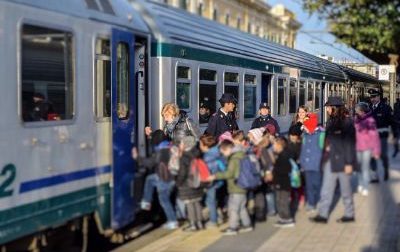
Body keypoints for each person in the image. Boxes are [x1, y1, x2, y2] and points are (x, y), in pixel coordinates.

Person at [310, 96, 356, 224]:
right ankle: (323, 214)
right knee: (326, 188)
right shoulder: (331, 121)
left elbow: (350, 144)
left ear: (335, 108)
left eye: (329, 107)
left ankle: (349, 214)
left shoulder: (346, 122)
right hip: (331, 159)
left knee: (346, 189)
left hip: (343, 161)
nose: (327, 109)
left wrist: (348, 163)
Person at [131, 130, 178, 230]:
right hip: (171, 177)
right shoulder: (171, 147)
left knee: (164, 201)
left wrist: (137, 157)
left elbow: (149, 163)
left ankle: (173, 221)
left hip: (164, 179)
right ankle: (146, 201)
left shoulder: (161, 152)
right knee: (150, 179)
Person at [209, 132, 253, 235]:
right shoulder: (241, 154)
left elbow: (229, 173)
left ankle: (233, 228)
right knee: (241, 207)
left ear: (227, 149)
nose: (224, 155)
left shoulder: (234, 158)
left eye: (223, 152)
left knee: (233, 208)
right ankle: (247, 225)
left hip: (236, 186)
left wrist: (215, 176)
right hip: (242, 186)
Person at [176, 135, 205, 231]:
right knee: (197, 202)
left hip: (187, 184)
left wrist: (178, 182)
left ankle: (193, 224)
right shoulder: (197, 153)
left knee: (190, 204)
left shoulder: (184, 156)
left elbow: (183, 172)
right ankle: (200, 223)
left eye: (182, 143)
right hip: (197, 182)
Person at [299, 113, 325, 212]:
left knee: (317, 184)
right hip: (307, 164)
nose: (304, 126)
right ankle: (311, 203)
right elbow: (303, 149)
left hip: (317, 164)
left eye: (306, 123)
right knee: (309, 185)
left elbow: (323, 149)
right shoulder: (305, 135)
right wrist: (302, 162)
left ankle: (318, 201)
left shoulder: (321, 134)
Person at [199, 134, 226, 227]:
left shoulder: (208, 156)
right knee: (214, 200)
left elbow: (208, 172)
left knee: (210, 201)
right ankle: (218, 216)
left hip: (212, 182)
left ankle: (213, 220)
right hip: (220, 180)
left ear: (205, 145)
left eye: (200, 144)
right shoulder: (217, 151)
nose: (199, 146)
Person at [354, 102, 380, 196]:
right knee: (358, 168)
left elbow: (374, 136)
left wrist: (376, 151)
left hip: (367, 148)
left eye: (357, 109)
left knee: (365, 168)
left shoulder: (370, 121)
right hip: (357, 147)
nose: (356, 111)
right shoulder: (356, 120)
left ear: (362, 110)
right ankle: (360, 183)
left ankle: (365, 186)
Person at [368, 89, 393, 181]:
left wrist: (394, 135)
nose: (372, 99)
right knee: (371, 156)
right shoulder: (368, 108)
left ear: (379, 97)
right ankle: (374, 175)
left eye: (374, 97)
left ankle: (386, 169)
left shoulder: (386, 108)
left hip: (382, 136)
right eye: (371, 97)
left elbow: (392, 122)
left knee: (383, 155)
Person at [272, 136, 295, 227]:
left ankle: (287, 219)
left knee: (283, 201)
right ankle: (282, 218)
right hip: (280, 183)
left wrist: (275, 169)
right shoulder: (280, 155)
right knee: (279, 200)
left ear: (279, 146)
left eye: (274, 145)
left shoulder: (283, 156)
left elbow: (285, 169)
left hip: (283, 183)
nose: (273, 147)